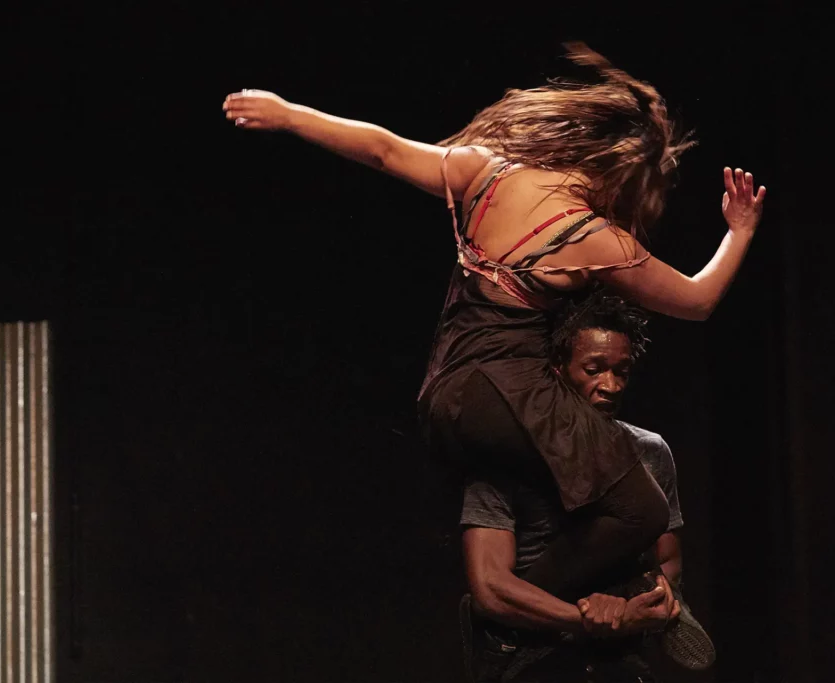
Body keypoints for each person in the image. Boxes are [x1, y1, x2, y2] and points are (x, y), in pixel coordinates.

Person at [223, 42, 764, 666]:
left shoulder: (488, 171)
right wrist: (740, 231)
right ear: (620, 172)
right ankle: (518, 618)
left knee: (595, 496)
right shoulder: (590, 235)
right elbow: (696, 301)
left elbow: (383, 148)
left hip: (448, 394)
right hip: (508, 391)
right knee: (640, 508)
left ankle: (548, 606)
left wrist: (289, 112)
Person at [459, 291, 708, 682]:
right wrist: (587, 618)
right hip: (534, 654)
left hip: (618, 659)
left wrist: (653, 599)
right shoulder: (505, 455)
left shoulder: (649, 451)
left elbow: (669, 559)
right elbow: (490, 586)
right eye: (594, 369)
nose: (610, 385)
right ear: (557, 368)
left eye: (621, 371)